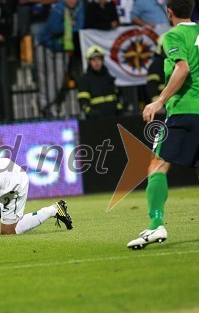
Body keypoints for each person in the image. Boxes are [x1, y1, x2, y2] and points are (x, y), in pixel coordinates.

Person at [127, 0, 199, 250]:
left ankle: (156, 224)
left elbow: (182, 69)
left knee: (157, 164)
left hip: (183, 112)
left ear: (169, 12)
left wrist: (159, 101)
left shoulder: (174, 35)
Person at [77, 45, 122, 118]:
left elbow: (117, 95)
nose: (96, 62)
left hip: (114, 116)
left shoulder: (109, 77)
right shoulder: (85, 79)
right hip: (95, 120)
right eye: (93, 60)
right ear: (89, 62)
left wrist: (119, 108)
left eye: (99, 59)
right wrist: (90, 112)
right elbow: (82, 100)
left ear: (102, 60)